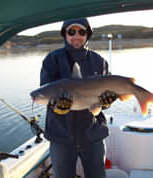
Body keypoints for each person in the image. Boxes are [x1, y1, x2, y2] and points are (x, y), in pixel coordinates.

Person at [39, 18, 117, 178]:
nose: (76, 36)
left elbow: (105, 100)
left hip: (93, 134)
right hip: (61, 136)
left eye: (81, 32)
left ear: (87, 34)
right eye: (71, 31)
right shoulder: (51, 60)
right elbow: (45, 94)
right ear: (64, 34)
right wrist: (57, 108)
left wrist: (107, 103)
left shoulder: (99, 61)